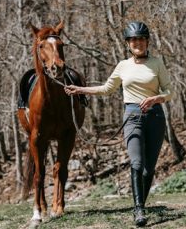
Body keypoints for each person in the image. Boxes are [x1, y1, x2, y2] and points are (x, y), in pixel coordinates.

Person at [64, 21, 172, 227]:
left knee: (149, 169)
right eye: (134, 40)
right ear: (128, 44)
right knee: (137, 163)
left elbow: (169, 92)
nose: (138, 43)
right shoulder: (123, 66)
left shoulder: (157, 63)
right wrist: (80, 90)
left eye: (141, 39)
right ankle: (138, 209)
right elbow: (106, 89)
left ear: (147, 41)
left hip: (156, 117)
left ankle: (142, 203)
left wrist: (155, 99)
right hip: (132, 116)